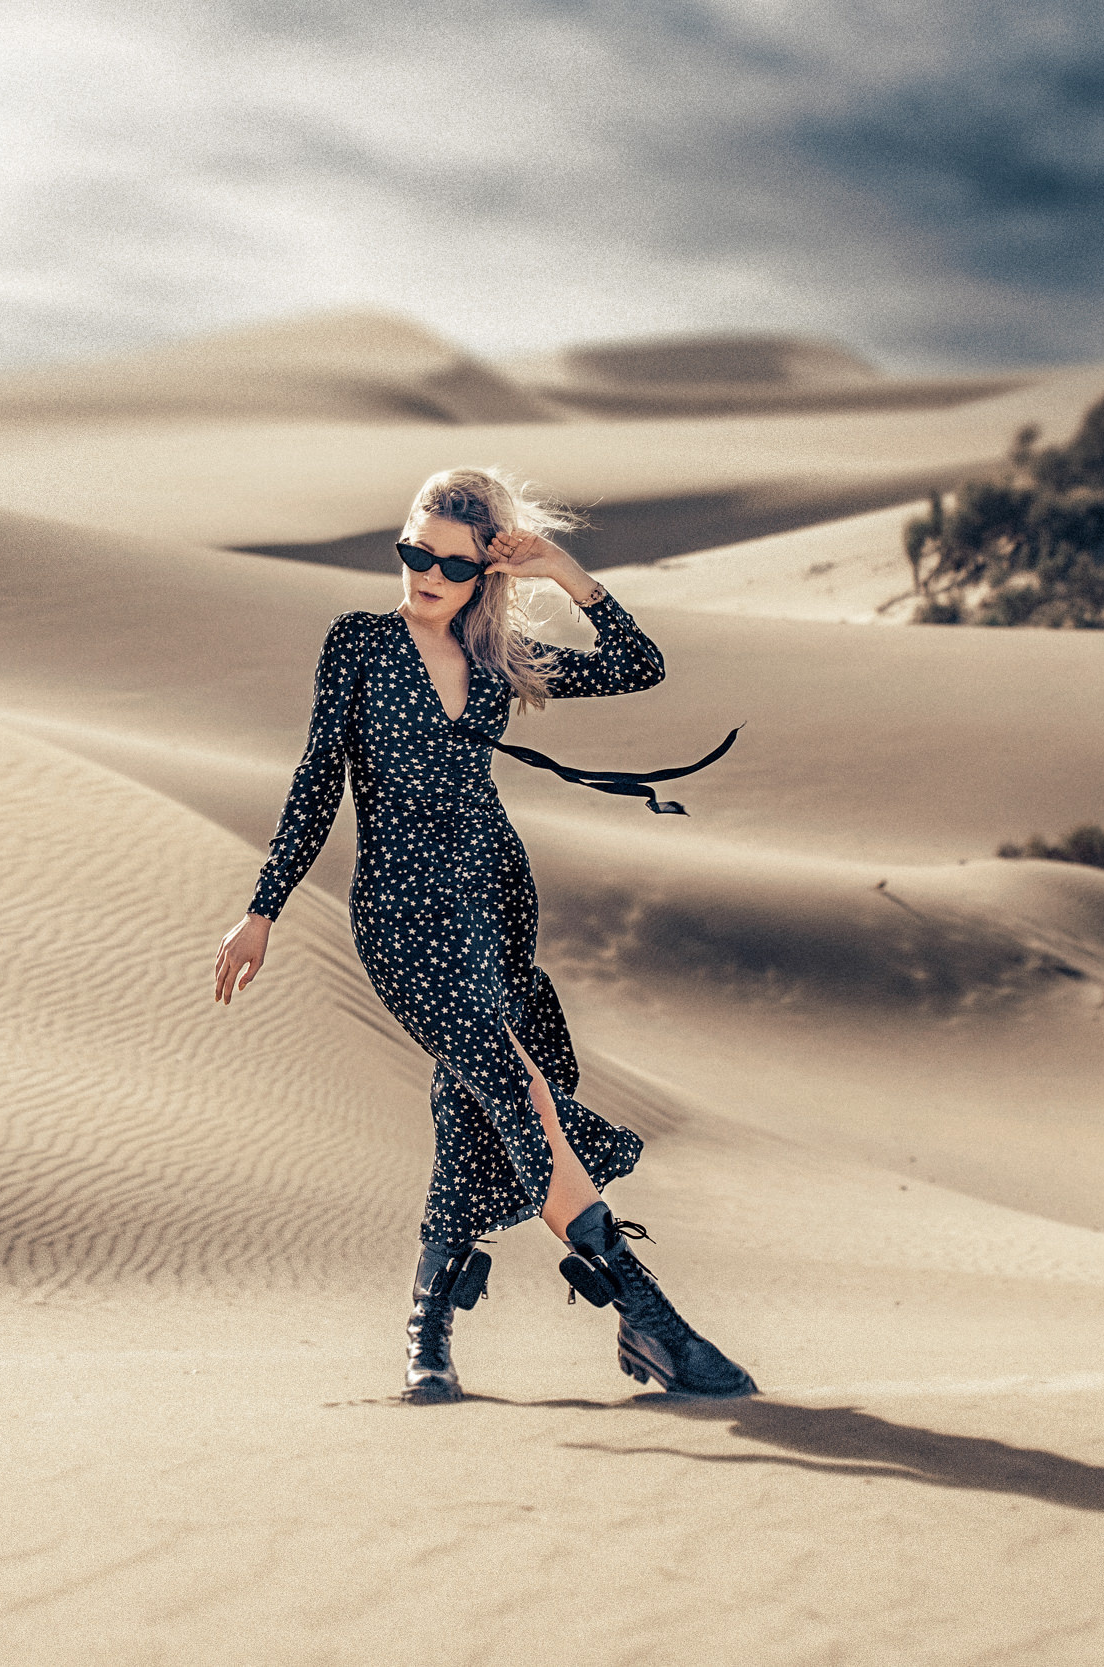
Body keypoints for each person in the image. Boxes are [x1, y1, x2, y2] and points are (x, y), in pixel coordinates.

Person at [212, 466, 756, 1404]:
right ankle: (653, 1320)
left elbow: (641, 665)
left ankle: (430, 1327)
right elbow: (315, 784)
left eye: (449, 564)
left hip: (493, 902)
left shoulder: (506, 660)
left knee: (474, 1105)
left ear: (485, 576)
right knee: (523, 1092)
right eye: (413, 551)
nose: (423, 573)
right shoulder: (360, 645)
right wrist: (264, 907)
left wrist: (564, 574)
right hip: (398, 915)